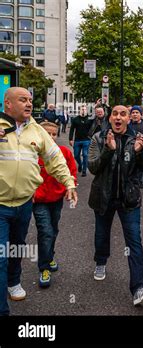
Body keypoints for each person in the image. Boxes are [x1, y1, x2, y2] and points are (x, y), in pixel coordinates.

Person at [0, 87, 77, 316]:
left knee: (16, 247)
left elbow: (55, 158)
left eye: (30, 100)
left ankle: (14, 282)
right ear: (8, 104)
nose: (28, 104)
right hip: (0, 206)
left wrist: (69, 183)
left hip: (24, 204)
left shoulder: (36, 130)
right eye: (22, 100)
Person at [88, 105, 143, 306]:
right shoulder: (98, 139)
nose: (118, 117)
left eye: (122, 114)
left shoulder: (137, 139)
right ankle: (101, 261)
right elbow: (93, 167)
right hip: (103, 197)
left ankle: (138, 287)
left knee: (134, 241)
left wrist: (139, 152)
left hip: (129, 199)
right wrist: (108, 151)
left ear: (129, 119)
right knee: (102, 234)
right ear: (110, 119)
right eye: (115, 114)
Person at [33, 122, 77, 288]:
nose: (51, 137)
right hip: (38, 201)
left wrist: (70, 187)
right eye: (47, 134)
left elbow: (71, 171)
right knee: (45, 231)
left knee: (53, 229)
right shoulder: (32, 153)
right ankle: (44, 268)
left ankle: (49, 256)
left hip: (56, 199)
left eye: (54, 134)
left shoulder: (63, 152)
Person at [69, 105, 93, 177]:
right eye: (82, 109)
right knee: (76, 155)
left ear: (86, 111)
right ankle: (80, 164)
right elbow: (72, 129)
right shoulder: (75, 119)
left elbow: (93, 128)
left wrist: (92, 138)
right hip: (77, 140)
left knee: (85, 155)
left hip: (86, 140)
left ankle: (84, 171)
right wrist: (70, 139)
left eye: (84, 109)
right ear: (79, 110)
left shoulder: (89, 119)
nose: (83, 111)